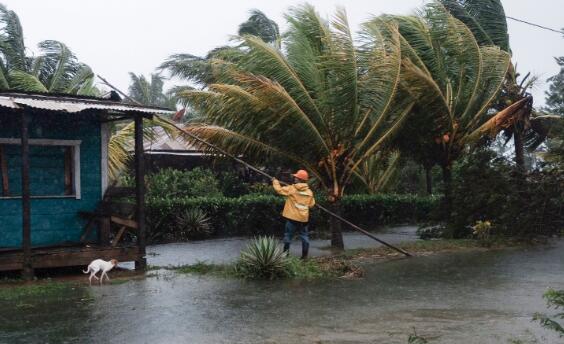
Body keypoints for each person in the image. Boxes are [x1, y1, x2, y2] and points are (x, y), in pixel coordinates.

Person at [272, 169, 315, 259]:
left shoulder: (292, 189)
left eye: (296, 177)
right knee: (304, 236)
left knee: (288, 236)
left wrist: (275, 181)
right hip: (303, 219)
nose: (294, 178)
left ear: (299, 179)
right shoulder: (309, 192)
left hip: (292, 218)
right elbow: (311, 205)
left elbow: (279, 190)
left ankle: (285, 255)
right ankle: (304, 256)